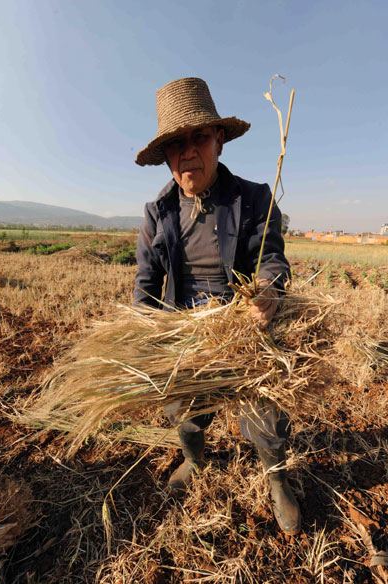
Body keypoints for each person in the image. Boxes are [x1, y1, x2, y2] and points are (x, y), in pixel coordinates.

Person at [133, 77, 301, 535]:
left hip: (243, 330)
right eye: (176, 144)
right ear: (167, 157)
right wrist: (145, 339)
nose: (188, 152)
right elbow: (146, 284)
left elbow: (272, 259)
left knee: (269, 412)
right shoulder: (158, 213)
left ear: (220, 141)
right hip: (187, 334)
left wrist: (267, 289)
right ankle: (195, 459)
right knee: (180, 411)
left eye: (199, 138)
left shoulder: (253, 198)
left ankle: (277, 478)